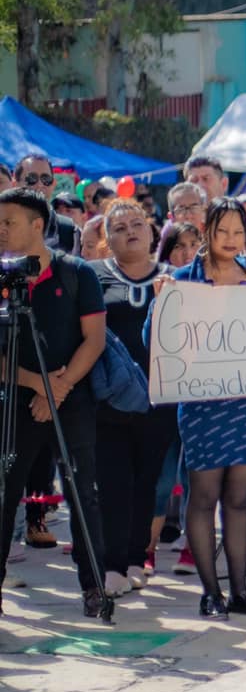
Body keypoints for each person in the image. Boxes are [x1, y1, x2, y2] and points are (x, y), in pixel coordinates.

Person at [158, 199, 246, 619]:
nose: (229, 240)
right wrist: (160, 302)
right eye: (221, 231)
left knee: (239, 498)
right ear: (207, 231)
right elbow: (156, 336)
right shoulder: (183, 279)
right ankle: (211, 592)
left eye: (237, 232)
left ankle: (240, 591)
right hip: (203, 403)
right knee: (204, 496)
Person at [0, 185, 109, 620]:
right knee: (4, 496)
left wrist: (58, 390)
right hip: (14, 404)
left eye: (9, 222)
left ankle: (95, 588)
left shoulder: (76, 273)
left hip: (73, 400)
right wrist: (39, 385)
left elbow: (94, 340)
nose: (1, 230)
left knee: (84, 495)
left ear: (38, 226)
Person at [93, 200, 175, 593]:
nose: (131, 230)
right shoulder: (93, 276)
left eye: (138, 223)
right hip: (107, 402)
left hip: (160, 402)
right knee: (113, 481)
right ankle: (111, 564)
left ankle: (134, 556)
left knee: (147, 483)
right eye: (120, 226)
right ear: (107, 239)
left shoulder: (175, 277)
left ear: (152, 230)